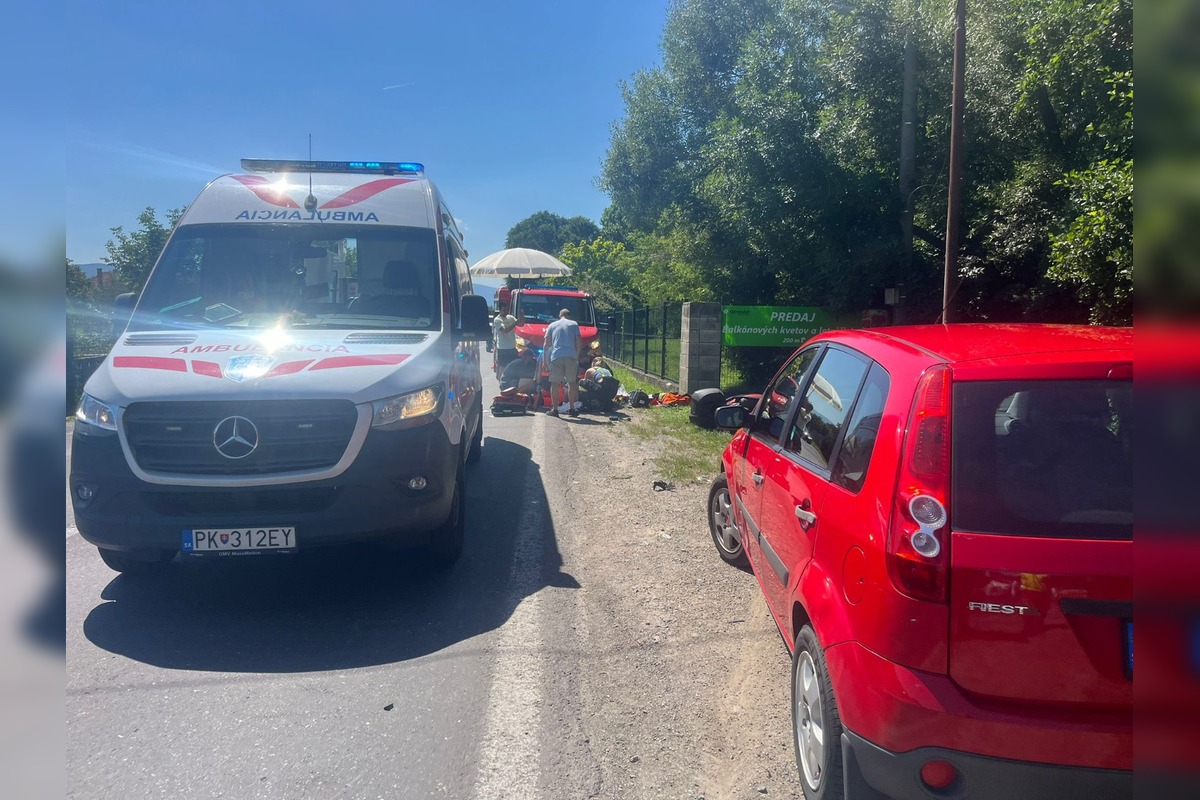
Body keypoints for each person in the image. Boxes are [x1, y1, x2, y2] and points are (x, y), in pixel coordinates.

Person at [541, 308, 582, 417]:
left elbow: (546, 345)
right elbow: (579, 343)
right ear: (569, 315)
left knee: (554, 383)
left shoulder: (552, 325)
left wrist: (545, 361)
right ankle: (572, 409)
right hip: (570, 356)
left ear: (560, 315)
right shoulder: (574, 324)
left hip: (556, 356)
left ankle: (554, 410)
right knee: (572, 383)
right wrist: (576, 356)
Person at [491, 302, 518, 376]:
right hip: (503, 348)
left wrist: (521, 317)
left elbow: (520, 324)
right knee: (502, 367)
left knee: (513, 366)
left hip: (512, 347)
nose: (506, 312)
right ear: (500, 310)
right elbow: (505, 330)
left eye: (506, 310)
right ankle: (501, 382)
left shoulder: (511, 317)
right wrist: (515, 323)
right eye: (504, 310)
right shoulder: (497, 320)